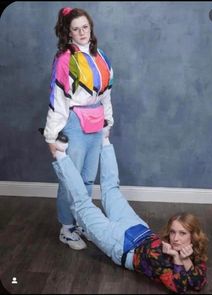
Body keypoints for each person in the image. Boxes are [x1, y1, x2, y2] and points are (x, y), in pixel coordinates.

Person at [52, 137, 208, 294]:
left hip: (120, 244)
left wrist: (180, 258)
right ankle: (105, 138)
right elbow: (193, 279)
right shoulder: (170, 250)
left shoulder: (174, 255)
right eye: (173, 231)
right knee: (112, 189)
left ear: (192, 235)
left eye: (182, 233)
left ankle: (59, 153)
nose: (175, 238)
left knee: (82, 205)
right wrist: (183, 259)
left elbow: (187, 286)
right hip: (139, 228)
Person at [43, 7, 114, 250]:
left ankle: (80, 221)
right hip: (74, 124)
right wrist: (51, 137)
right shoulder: (65, 59)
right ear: (68, 33)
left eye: (85, 27)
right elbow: (58, 100)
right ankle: (66, 228)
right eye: (76, 29)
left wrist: (107, 123)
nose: (82, 32)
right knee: (69, 181)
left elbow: (106, 96)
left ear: (90, 28)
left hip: (95, 124)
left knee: (86, 179)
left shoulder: (101, 56)